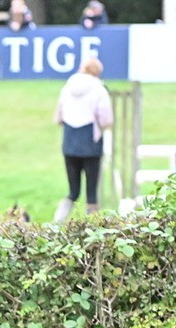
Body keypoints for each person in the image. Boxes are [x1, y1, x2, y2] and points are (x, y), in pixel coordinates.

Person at [53, 57, 114, 221]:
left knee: (73, 191)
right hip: (91, 144)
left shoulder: (68, 86)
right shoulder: (99, 89)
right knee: (91, 193)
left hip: (69, 142)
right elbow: (106, 120)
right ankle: (92, 229)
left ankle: (56, 223)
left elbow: (58, 116)